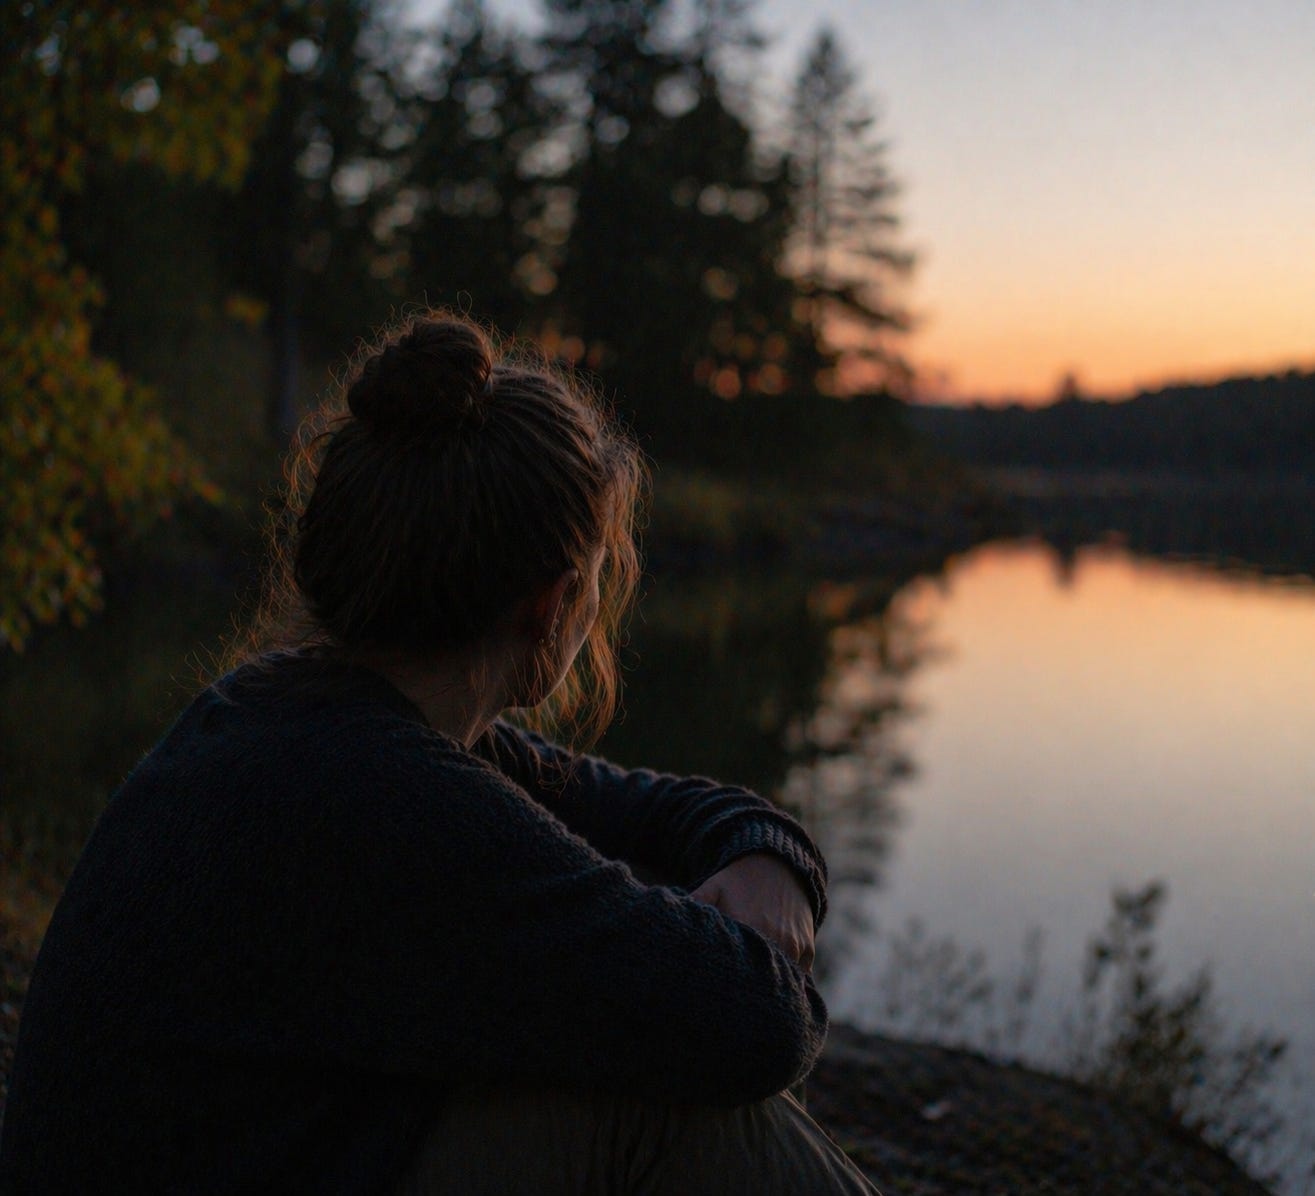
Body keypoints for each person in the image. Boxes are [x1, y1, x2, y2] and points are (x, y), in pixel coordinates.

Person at [0, 316, 878, 1194]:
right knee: (655, 1107)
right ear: (551, 602)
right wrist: (750, 929)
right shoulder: (381, 796)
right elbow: (758, 1028)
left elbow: (654, 808)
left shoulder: (295, 716)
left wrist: (772, 857)